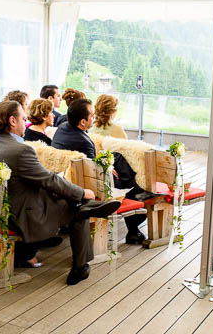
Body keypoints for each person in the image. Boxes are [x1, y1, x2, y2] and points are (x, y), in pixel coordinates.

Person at [0, 101, 121, 285]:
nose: (26, 121)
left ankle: (89, 205)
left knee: (67, 194)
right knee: (78, 209)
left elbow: (36, 179)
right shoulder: (20, 150)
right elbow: (49, 180)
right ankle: (81, 265)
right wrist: (81, 192)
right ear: (12, 121)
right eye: (23, 118)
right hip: (23, 215)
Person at [52, 98, 152, 244]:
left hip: (70, 178)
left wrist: (109, 165)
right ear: (83, 122)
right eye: (92, 115)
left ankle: (133, 185)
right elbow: (94, 172)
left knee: (116, 157)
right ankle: (134, 214)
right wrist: (107, 169)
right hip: (90, 185)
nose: (95, 117)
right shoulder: (84, 142)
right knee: (135, 194)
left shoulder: (63, 128)